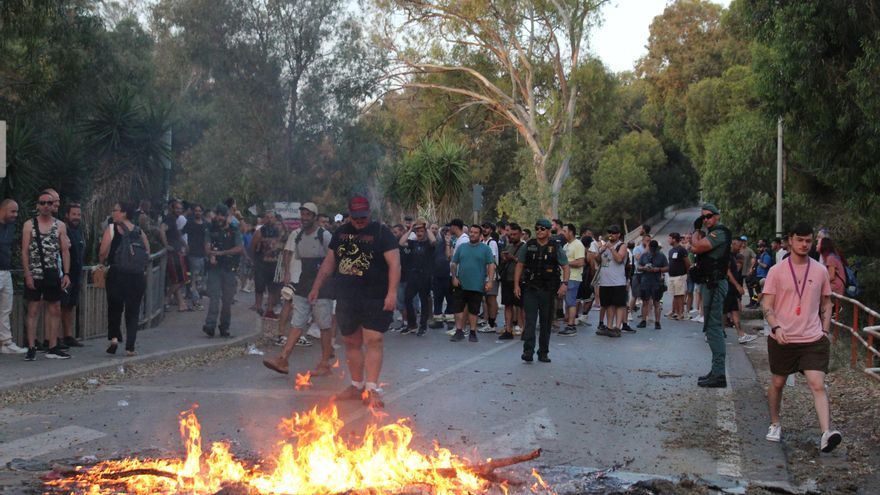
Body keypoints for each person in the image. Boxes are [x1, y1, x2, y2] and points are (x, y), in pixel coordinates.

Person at [308, 195, 399, 408]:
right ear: (349, 214)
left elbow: (395, 264)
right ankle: (357, 386)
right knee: (351, 341)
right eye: (356, 217)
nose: (360, 221)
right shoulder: (340, 233)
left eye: (363, 216)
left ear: (369, 213)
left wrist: (392, 293)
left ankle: (372, 389)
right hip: (347, 296)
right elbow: (329, 263)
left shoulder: (381, 233)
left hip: (376, 296)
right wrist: (316, 287)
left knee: (374, 340)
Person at [762, 223, 842, 453]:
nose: (804, 244)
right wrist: (776, 327)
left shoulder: (819, 270)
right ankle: (775, 422)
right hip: (783, 337)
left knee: (817, 384)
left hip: (812, 338)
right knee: (778, 383)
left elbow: (827, 302)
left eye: (808, 240)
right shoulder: (777, 271)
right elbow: (767, 304)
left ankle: (827, 433)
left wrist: (825, 332)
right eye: (800, 240)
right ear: (790, 241)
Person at [21, 191, 72, 360]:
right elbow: (24, 251)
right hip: (35, 272)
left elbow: (65, 251)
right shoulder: (29, 225)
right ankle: (31, 346)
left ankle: (52, 345)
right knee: (33, 309)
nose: (45, 206)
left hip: (52, 272)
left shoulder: (60, 226)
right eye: (42, 203)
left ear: (53, 206)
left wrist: (66, 273)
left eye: (49, 203)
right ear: (37, 205)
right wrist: (27, 274)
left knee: (55, 308)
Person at [98, 201, 150, 356]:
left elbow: (103, 251)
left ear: (124, 213)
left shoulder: (112, 229)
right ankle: (130, 346)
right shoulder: (139, 231)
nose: (113, 213)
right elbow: (147, 251)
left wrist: (101, 264)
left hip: (116, 274)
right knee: (133, 311)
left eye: (115, 210)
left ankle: (114, 338)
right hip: (136, 276)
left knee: (114, 307)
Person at [514, 219, 569, 362]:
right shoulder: (529, 245)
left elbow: (565, 266)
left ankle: (543, 352)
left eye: (542, 228)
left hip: (548, 290)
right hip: (531, 288)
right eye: (537, 228)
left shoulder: (555, 247)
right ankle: (528, 351)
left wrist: (564, 284)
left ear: (549, 231)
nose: (539, 231)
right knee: (530, 321)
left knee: (546, 322)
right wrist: (516, 285)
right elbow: (520, 265)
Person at [689, 203, 731, 388]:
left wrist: (696, 235)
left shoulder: (720, 233)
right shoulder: (710, 233)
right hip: (708, 283)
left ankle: (719, 373)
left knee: (714, 328)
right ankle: (716, 371)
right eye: (703, 217)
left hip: (714, 284)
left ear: (717, 216)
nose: (706, 219)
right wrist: (697, 230)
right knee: (710, 327)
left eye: (709, 216)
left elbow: (697, 248)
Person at [200, 205, 243, 338]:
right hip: (215, 268)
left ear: (226, 216)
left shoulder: (234, 230)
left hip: (229, 268)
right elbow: (207, 248)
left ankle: (224, 326)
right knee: (214, 298)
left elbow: (239, 248)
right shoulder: (211, 229)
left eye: (222, 215)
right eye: (217, 214)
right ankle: (210, 325)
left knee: (227, 300)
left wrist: (220, 253)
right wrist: (212, 254)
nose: (219, 218)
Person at [449, 225, 495, 342]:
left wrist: (490, 281)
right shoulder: (462, 247)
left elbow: (491, 265)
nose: (473, 234)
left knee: (473, 310)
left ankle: (473, 332)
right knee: (458, 308)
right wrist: (454, 277)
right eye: (471, 232)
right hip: (461, 283)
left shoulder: (485, 249)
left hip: (477, 285)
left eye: (475, 233)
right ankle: (459, 331)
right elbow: (454, 263)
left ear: (480, 235)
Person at [400, 218, 436, 336]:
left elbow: (434, 240)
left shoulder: (428, 245)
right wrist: (410, 230)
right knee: (407, 299)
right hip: (413, 275)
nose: (419, 233)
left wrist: (426, 228)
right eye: (418, 232)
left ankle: (423, 326)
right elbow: (401, 242)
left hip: (424, 276)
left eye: (421, 231)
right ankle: (412, 324)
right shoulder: (412, 243)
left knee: (424, 301)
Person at [0, 199, 26, 354]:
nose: (15, 215)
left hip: (6, 271)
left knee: (5, 309)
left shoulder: (10, 227)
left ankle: (6, 342)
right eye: (13, 211)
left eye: (16, 211)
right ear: (3, 210)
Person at [595, 225, 628, 338]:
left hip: (617, 282)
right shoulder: (606, 247)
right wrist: (600, 251)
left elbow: (619, 259)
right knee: (608, 304)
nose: (611, 235)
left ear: (618, 234)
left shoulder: (621, 246)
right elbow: (599, 261)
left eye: (614, 233)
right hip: (605, 282)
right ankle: (609, 327)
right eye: (610, 232)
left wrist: (611, 248)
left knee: (618, 304)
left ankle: (617, 327)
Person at [60, 202, 85, 349]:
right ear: (67, 215)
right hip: (65, 274)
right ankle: (55, 338)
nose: (76, 217)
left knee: (70, 305)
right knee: (61, 305)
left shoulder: (79, 231)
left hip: (76, 275)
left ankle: (68, 336)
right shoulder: (64, 230)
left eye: (78, 214)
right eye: (73, 214)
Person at [251, 210, 283, 319]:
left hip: (273, 263)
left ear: (275, 219)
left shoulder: (278, 232)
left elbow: (281, 245)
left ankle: (270, 309)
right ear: (264, 219)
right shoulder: (259, 232)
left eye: (271, 217)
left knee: (272, 288)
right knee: (259, 286)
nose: (269, 219)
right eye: (267, 217)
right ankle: (258, 306)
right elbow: (253, 246)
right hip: (261, 263)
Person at [160, 200, 189, 312]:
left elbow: (177, 235)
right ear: (172, 209)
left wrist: (185, 245)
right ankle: (167, 299)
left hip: (177, 251)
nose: (179, 210)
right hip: (173, 254)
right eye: (177, 208)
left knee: (178, 279)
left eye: (180, 209)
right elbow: (162, 229)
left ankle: (182, 304)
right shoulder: (169, 219)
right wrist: (166, 245)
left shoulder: (174, 220)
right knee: (180, 279)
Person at [499, 223, 525, 339]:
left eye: (515, 234)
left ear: (520, 234)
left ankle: (524, 329)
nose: (512, 236)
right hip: (507, 279)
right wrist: (504, 258)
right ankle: (508, 330)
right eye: (511, 234)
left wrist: (513, 258)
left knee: (522, 306)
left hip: (520, 280)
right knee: (508, 305)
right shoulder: (508, 246)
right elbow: (504, 260)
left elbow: (524, 263)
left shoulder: (525, 247)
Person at [559, 223, 584, 336]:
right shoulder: (566, 246)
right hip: (565, 277)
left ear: (571, 232)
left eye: (564, 231)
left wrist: (566, 264)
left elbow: (580, 262)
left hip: (573, 277)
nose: (562, 233)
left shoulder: (578, 245)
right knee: (568, 302)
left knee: (571, 302)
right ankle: (569, 322)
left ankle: (571, 326)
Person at [637, 240, 668, 330]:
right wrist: (644, 268)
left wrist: (658, 269)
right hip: (645, 281)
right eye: (652, 248)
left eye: (654, 249)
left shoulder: (661, 256)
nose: (653, 251)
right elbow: (638, 267)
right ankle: (643, 320)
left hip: (656, 282)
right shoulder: (644, 255)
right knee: (645, 302)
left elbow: (667, 267)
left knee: (656, 303)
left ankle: (657, 322)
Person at [183, 204, 208, 311]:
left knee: (200, 280)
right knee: (194, 278)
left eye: (200, 211)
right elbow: (181, 233)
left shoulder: (206, 224)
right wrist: (185, 246)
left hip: (203, 255)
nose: (198, 213)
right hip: (193, 254)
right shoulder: (190, 223)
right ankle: (195, 302)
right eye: (196, 211)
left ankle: (196, 300)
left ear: (202, 212)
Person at [429, 226, 453, 329]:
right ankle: (438, 321)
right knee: (437, 299)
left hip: (448, 276)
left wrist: (448, 243)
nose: (445, 233)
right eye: (443, 231)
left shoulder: (453, 244)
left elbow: (449, 257)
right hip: (437, 276)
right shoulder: (436, 244)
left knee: (450, 300)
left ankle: (450, 322)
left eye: (447, 232)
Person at [666, 233, 690, 320]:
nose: (668, 240)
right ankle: (676, 312)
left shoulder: (681, 250)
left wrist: (686, 273)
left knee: (680, 295)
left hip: (680, 276)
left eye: (669, 238)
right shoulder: (671, 251)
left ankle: (681, 313)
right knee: (675, 295)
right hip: (671, 276)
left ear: (674, 239)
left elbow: (687, 263)